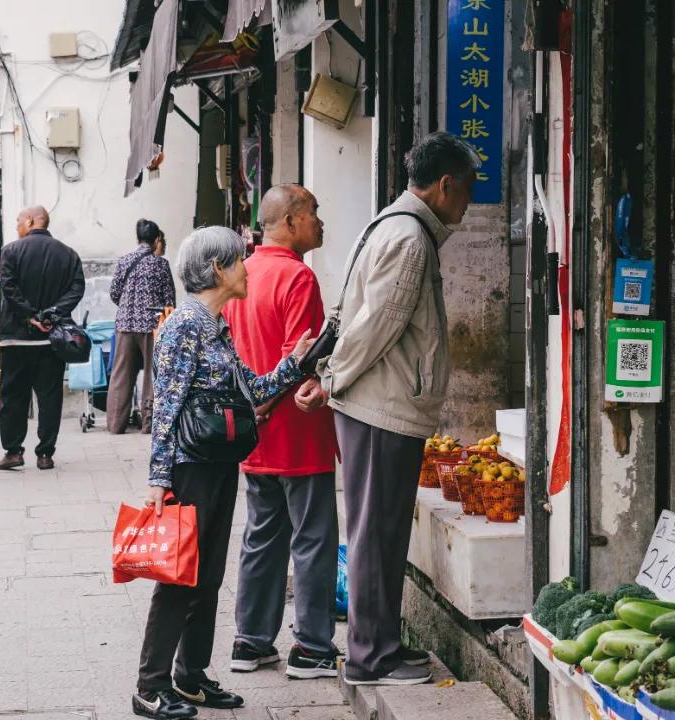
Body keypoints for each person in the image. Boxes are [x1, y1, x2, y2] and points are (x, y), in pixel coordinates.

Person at [307, 131, 478, 686]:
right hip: (379, 408)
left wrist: (330, 375)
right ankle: (369, 658)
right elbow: (374, 325)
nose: (468, 205)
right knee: (375, 535)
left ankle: (379, 645)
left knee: (379, 533)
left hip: (378, 405)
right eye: (467, 191)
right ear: (446, 184)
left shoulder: (388, 224)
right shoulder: (409, 238)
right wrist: (331, 377)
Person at [133, 226, 314, 720]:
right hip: (189, 470)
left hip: (217, 466)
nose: (247, 268)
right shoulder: (184, 326)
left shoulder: (218, 325)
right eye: (240, 260)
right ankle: (150, 686)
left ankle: (190, 678)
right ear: (218, 269)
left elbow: (253, 392)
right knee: (177, 578)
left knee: (208, 577)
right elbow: (165, 408)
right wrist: (159, 480)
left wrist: (296, 363)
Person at [221, 185, 340, 679]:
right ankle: (311, 647)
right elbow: (299, 359)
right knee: (312, 538)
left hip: (254, 434)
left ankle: (250, 641)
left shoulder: (240, 274)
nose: (320, 222)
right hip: (296, 429)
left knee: (261, 536)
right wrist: (268, 405)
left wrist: (251, 411)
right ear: (289, 221)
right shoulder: (298, 277)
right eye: (313, 213)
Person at [0, 205, 85, 471]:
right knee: (50, 396)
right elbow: (77, 288)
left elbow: (8, 287)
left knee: (14, 396)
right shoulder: (68, 254)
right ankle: (45, 454)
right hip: (52, 340)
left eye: (18, 220)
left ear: (31, 220)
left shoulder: (11, 251)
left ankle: (13, 451)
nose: (16, 226)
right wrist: (51, 313)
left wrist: (30, 315)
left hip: (16, 339)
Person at [107, 218, 176, 434]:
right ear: (157, 240)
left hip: (125, 324)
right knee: (152, 375)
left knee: (121, 375)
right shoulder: (161, 264)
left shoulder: (124, 260)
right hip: (152, 326)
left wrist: (130, 307)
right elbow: (169, 301)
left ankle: (116, 424)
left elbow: (114, 293)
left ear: (138, 239)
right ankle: (149, 424)